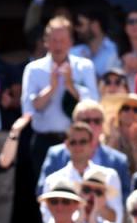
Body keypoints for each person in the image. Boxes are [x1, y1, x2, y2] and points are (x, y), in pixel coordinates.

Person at [22, 16, 98, 173]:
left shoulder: (85, 67)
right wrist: (51, 88)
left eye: (62, 40)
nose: (58, 45)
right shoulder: (33, 69)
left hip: (78, 140)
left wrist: (71, 86)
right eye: (54, 40)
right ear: (45, 42)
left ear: (71, 42)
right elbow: (28, 110)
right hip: (44, 140)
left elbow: (94, 105)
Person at [71, 9, 121, 77]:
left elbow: (111, 83)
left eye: (80, 24)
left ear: (95, 25)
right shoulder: (74, 51)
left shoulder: (115, 51)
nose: (77, 29)